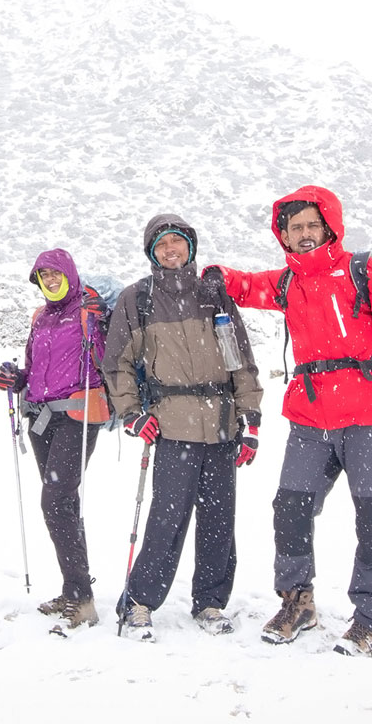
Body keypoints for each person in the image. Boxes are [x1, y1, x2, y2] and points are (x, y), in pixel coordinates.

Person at [204, 184, 372, 656]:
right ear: (283, 235)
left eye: (312, 225)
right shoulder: (289, 281)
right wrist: (217, 275)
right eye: (295, 228)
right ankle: (297, 601)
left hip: (369, 412)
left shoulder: (362, 269)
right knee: (289, 510)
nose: (304, 234)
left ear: (329, 226)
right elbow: (247, 286)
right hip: (310, 416)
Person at [102, 213, 263, 641]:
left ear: (190, 247)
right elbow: (116, 363)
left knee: (218, 519)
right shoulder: (138, 299)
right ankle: (138, 602)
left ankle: (210, 603)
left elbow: (239, 359)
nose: (170, 250)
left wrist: (251, 419)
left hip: (223, 426)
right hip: (171, 425)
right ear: (151, 253)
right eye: (161, 245)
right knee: (166, 519)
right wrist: (133, 413)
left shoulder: (213, 295)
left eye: (177, 242)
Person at [0, 249, 108, 633]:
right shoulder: (41, 318)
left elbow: (115, 350)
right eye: (44, 275)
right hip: (42, 420)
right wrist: (17, 378)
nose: (51, 279)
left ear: (70, 274)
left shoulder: (92, 311)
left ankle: (81, 597)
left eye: (56, 273)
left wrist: (103, 311)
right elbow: (35, 372)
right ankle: (73, 588)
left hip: (78, 416)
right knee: (64, 504)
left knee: (56, 499)